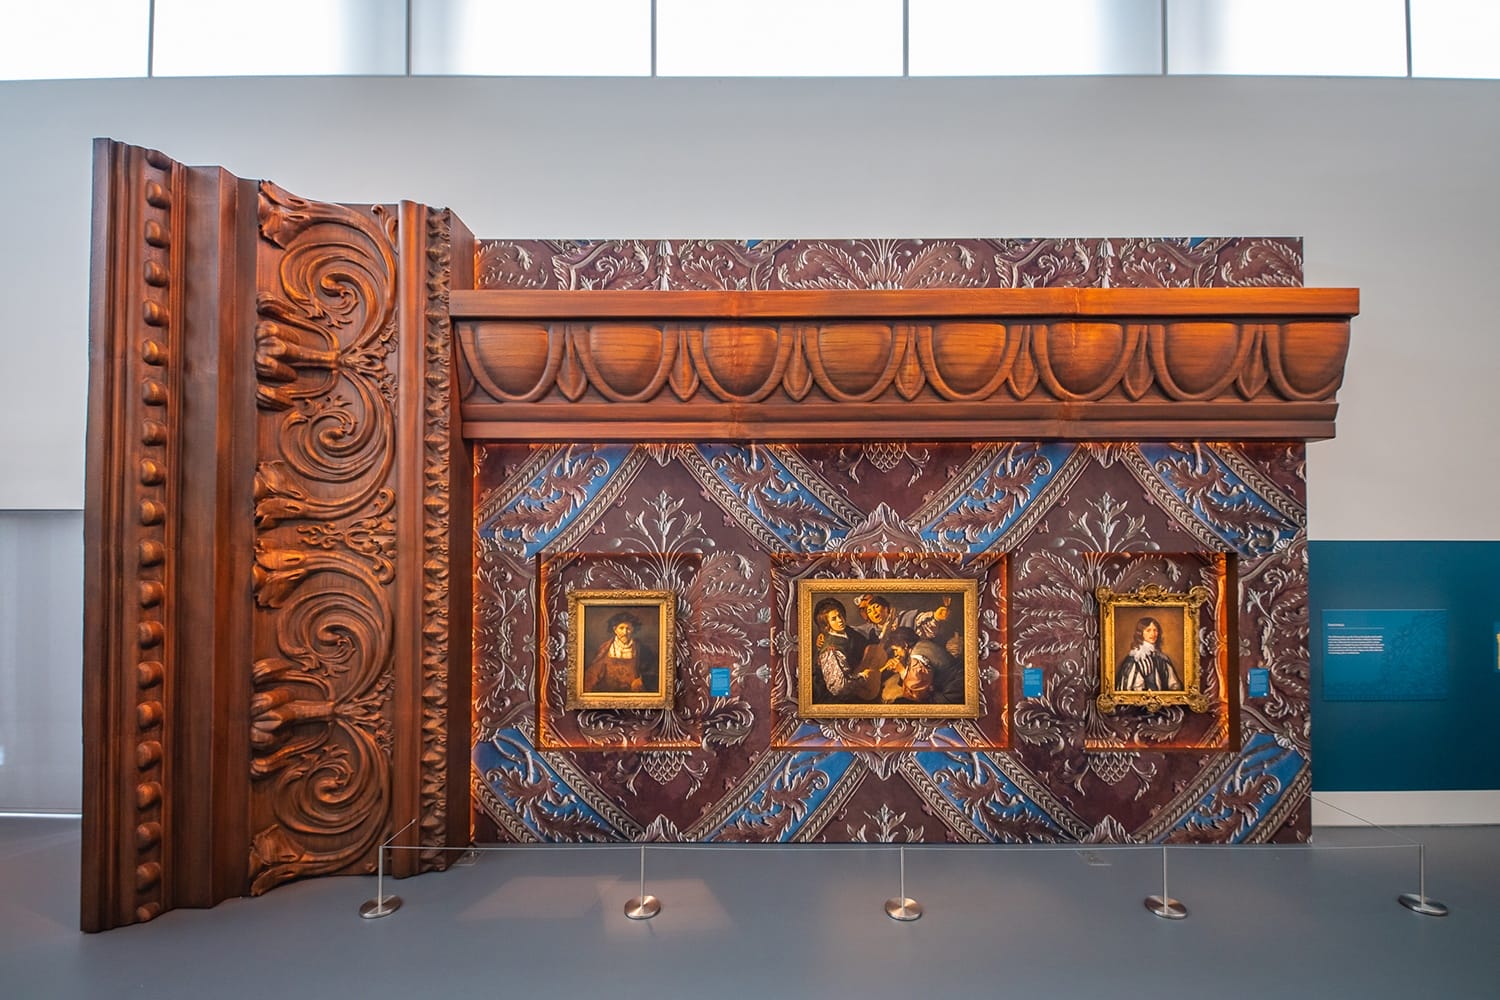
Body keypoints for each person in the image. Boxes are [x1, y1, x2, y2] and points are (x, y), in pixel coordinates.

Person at [813, 597, 879, 702]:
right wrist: (862, 676)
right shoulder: (830, 650)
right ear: (826, 625)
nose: (839, 620)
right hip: (842, 699)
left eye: (840, 616)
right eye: (834, 619)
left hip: (864, 685)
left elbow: (866, 646)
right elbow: (839, 688)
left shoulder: (848, 631)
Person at [583, 610, 657, 694]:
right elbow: (593, 673)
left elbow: (651, 672)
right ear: (615, 629)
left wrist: (641, 681)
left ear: (632, 629)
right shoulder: (605, 648)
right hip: (608, 693)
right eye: (621, 628)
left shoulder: (641, 649)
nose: (625, 632)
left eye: (628, 628)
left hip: (632, 694)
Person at [1115, 616, 1181, 692]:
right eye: (1148, 630)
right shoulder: (1135, 659)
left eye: (1155, 630)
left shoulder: (1162, 658)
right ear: (1141, 633)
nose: (1153, 634)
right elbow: (1129, 689)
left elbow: (1174, 684)